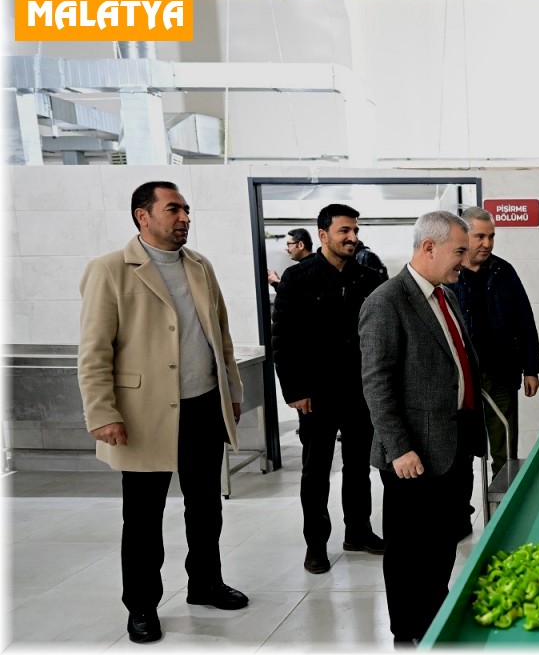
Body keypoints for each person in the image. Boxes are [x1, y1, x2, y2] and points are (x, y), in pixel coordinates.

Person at [78, 181, 249, 645]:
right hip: (142, 415)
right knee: (143, 518)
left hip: (202, 409)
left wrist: (230, 391)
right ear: (142, 216)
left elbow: (223, 338)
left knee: (206, 507)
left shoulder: (199, 266)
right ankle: (141, 607)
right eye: (173, 209)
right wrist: (102, 413)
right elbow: (93, 352)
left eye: (187, 210)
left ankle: (205, 583)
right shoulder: (111, 270)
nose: (184, 218)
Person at [359, 210, 487, 645]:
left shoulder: (446, 296)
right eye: (458, 252)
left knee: (443, 539)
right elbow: (377, 383)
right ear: (428, 247)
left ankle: (434, 610)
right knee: (408, 548)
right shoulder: (386, 301)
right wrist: (399, 449)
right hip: (413, 454)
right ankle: (407, 627)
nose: (465, 261)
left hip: (453, 442)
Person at [271, 204, 385, 574]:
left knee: (358, 468)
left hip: (359, 392)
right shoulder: (297, 278)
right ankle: (316, 544)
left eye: (354, 230)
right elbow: (283, 339)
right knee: (316, 471)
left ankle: (358, 531)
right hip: (316, 395)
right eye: (344, 231)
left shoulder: (368, 278)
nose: (352, 237)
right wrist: (294, 390)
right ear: (323, 235)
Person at [448, 206, 539, 478]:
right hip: (461, 377)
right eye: (479, 237)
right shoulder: (449, 274)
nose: (487, 243)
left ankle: (505, 506)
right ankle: (460, 507)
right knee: (460, 445)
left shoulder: (504, 271)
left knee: (505, 448)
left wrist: (531, 368)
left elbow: (525, 321)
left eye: (491, 237)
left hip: (501, 372)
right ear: (464, 236)